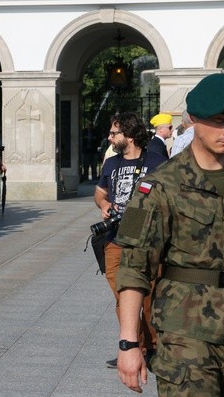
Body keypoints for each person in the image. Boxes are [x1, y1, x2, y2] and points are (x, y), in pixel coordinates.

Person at [115, 73, 224, 395]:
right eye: (221, 121)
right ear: (195, 119)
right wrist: (129, 342)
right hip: (184, 333)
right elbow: (133, 265)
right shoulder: (154, 185)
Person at [94, 111, 167, 368]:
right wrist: (103, 204)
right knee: (123, 295)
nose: (110, 137)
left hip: (146, 236)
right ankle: (133, 345)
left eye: (115, 133)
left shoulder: (158, 162)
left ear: (130, 135)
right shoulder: (111, 163)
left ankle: (153, 348)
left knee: (149, 296)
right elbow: (100, 192)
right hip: (115, 237)